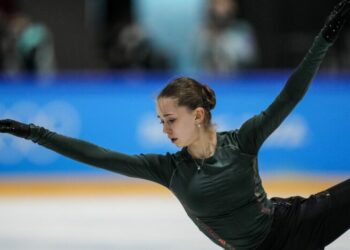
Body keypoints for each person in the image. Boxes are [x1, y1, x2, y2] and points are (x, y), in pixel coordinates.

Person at [1, 1, 350, 249]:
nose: (165, 130)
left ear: (197, 116)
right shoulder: (168, 169)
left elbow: (290, 96)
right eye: (160, 121)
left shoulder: (242, 141)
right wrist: (35, 133)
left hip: (297, 227)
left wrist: (324, 39)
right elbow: (99, 156)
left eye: (170, 120)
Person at [194, 0, 258, 72]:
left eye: (225, 4)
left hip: (237, 79)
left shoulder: (242, 30)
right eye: (217, 4)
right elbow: (197, 59)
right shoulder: (201, 33)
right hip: (207, 79)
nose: (221, 9)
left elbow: (250, 59)